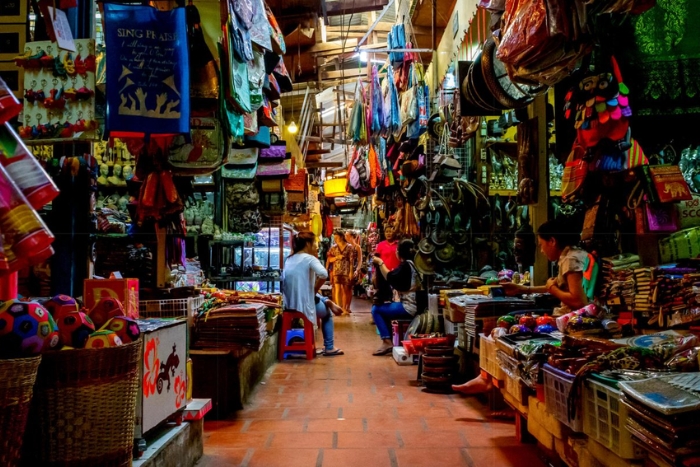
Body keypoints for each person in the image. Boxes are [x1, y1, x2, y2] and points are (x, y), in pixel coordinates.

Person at [452, 218, 589, 395]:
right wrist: (524, 288)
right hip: (564, 317)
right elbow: (558, 288)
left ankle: (489, 379)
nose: (541, 250)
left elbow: (578, 301)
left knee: (504, 329)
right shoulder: (572, 256)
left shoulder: (571, 260)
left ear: (552, 241)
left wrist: (552, 288)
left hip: (569, 321)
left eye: (542, 244)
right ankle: (487, 377)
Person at [283, 232, 343, 356]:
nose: (316, 246)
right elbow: (324, 274)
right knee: (327, 314)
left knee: (314, 295)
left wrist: (313, 291)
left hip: (288, 304)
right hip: (304, 305)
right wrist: (314, 289)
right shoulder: (309, 258)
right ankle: (329, 347)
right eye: (314, 243)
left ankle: (325, 300)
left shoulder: (288, 259)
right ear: (307, 244)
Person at [370, 239, 426, 356]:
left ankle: (386, 341)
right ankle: (388, 340)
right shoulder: (412, 264)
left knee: (376, 310)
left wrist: (380, 263)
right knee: (382, 309)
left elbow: (391, 278)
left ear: (399, 252)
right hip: (414, 305)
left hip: (409, 307)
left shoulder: (406, 266)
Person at [326, 230, 354, 315]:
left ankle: (345, 308)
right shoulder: (333, 248)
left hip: (346, 271)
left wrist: (351, 272)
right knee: (337, 289)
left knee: (345, 290)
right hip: (336, 270)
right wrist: (337, 257)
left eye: (337, 237)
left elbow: (351, 261)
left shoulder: (349, 247)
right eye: (334, 238)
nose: (335, 239)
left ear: (341, 237)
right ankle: (338, 308)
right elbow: (329, 259)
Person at [344, 230, 363, 314]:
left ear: (352, 237)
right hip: (345, 269)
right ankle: (345, 306)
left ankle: (347, 307)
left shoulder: (357, 247)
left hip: (353, 269)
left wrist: (357, 270)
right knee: (345, 289)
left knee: (349, 288)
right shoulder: (345, 246)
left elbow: (360, 260)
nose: (346, 237)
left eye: (347, 236)